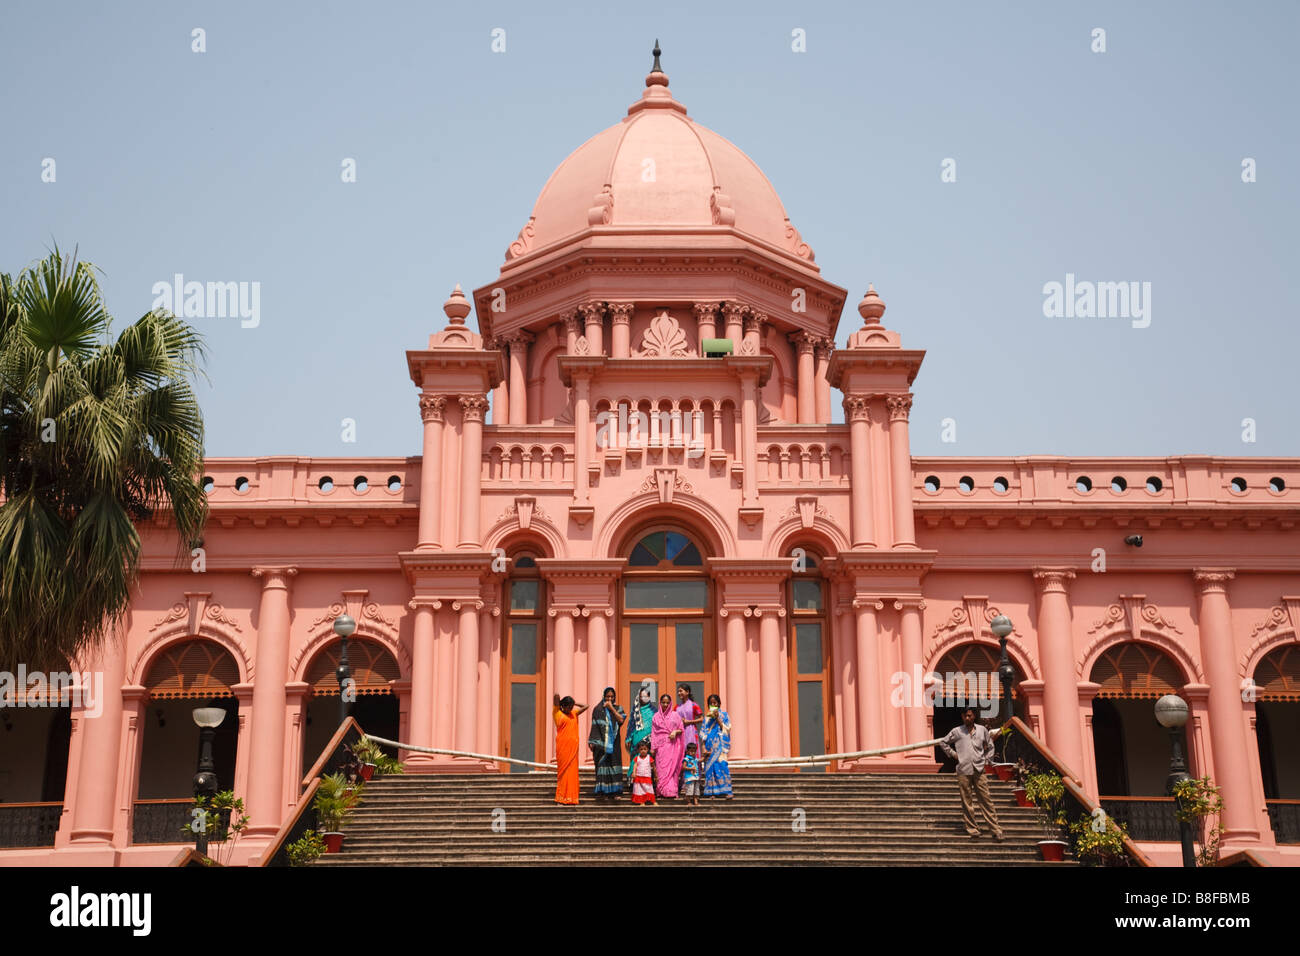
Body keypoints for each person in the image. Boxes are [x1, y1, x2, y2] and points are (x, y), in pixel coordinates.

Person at [938, 707, 1003, 839]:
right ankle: (972, 829)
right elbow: (943, 742)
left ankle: (996, 830)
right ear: (962, 717)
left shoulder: (982, 730)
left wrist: (987, 760)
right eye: (965, 716)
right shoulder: (957, 731)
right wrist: (954, 755)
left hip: (979, 769)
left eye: (970, 716)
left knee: (986, 800)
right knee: (967, 801)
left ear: (974, 716)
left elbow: (990, 745)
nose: (967, 718)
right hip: (963, 770)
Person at [587, 686, 626, 798]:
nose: (609, 699)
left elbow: (621, 720)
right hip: (601, 744)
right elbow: (594, 725)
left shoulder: (618, 708)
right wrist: (592, 740)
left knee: (614, 765)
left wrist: (611, 709)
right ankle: (602, 791)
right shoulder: (598, 709)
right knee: (602, 766)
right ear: (603, 696)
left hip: (614, 742)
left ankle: (615, 792)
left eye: (612, 697)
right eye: (607, 696)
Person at [552, 694, 588, 806]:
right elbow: (556, 697)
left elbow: (586, 706)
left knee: (572, 773)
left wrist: (574, 702)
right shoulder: (557, 713)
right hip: (563, 748)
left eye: (571, 707)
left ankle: (572, 798)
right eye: (568, 707)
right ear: (563, 706)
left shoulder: (574, 713)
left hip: (573, 749)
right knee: (563, 773)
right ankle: (561, 799)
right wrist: (560, 699)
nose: (570, 709)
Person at [650, 693, 685, 798]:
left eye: (667, 702)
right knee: (661, 769)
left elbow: (681, 729)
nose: (665, 704)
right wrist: (653, 748)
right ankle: (661, 790)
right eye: (663, 702)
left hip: (673, 745)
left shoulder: (675, 715)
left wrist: (675, 732)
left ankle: (671, 791)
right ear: (660, 703)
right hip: (661, 747)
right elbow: (654, 733)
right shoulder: (656, 717)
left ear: (670, 703)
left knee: (672, 769)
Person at [700, 693, 733, 799]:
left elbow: (727, 729)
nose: (713, 705)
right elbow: (703, 734)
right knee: (710, 768)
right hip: (710, 746)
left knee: (722, 766)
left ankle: (727, 791)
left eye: (715, 703)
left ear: (719, 704)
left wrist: (718, 718)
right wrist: (704, 747)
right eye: (711, 703)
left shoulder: (724, 715)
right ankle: (711, 792)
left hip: (720, 745)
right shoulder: (706, 718)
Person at [625, 678, 657, 768]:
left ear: (649, 697)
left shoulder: (654, 711)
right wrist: (628, 738)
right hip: (636, 741)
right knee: (635, 762)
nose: (643, 698)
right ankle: (632, 779)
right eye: (641, 696)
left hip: (649, 742)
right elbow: (631, 725)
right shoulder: (635, 711)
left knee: (648, 763)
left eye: (645, 696)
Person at [675, 684, 703, 752]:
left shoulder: (694, 705)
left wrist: (689, 722)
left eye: (681, 691)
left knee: (691, 750)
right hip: (680, 731)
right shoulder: (677, 707)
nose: (679, 693)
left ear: (687, 692)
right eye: (678, 691)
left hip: (691, 731)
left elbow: (701, 719)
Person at [630, 741, 656, 806]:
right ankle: (642, 801)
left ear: (647, 750)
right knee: (639, 790)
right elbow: (635, 766)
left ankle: (653, 801)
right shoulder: (637, 758)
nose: (643, 751)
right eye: (641, 749)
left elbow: (654, 767)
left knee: (649, 789)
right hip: (639, 776)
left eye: (645, 749)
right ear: (638, 750)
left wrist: (656, 776)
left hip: (647, 776)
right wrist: (634, 772)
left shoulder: (649, 758)